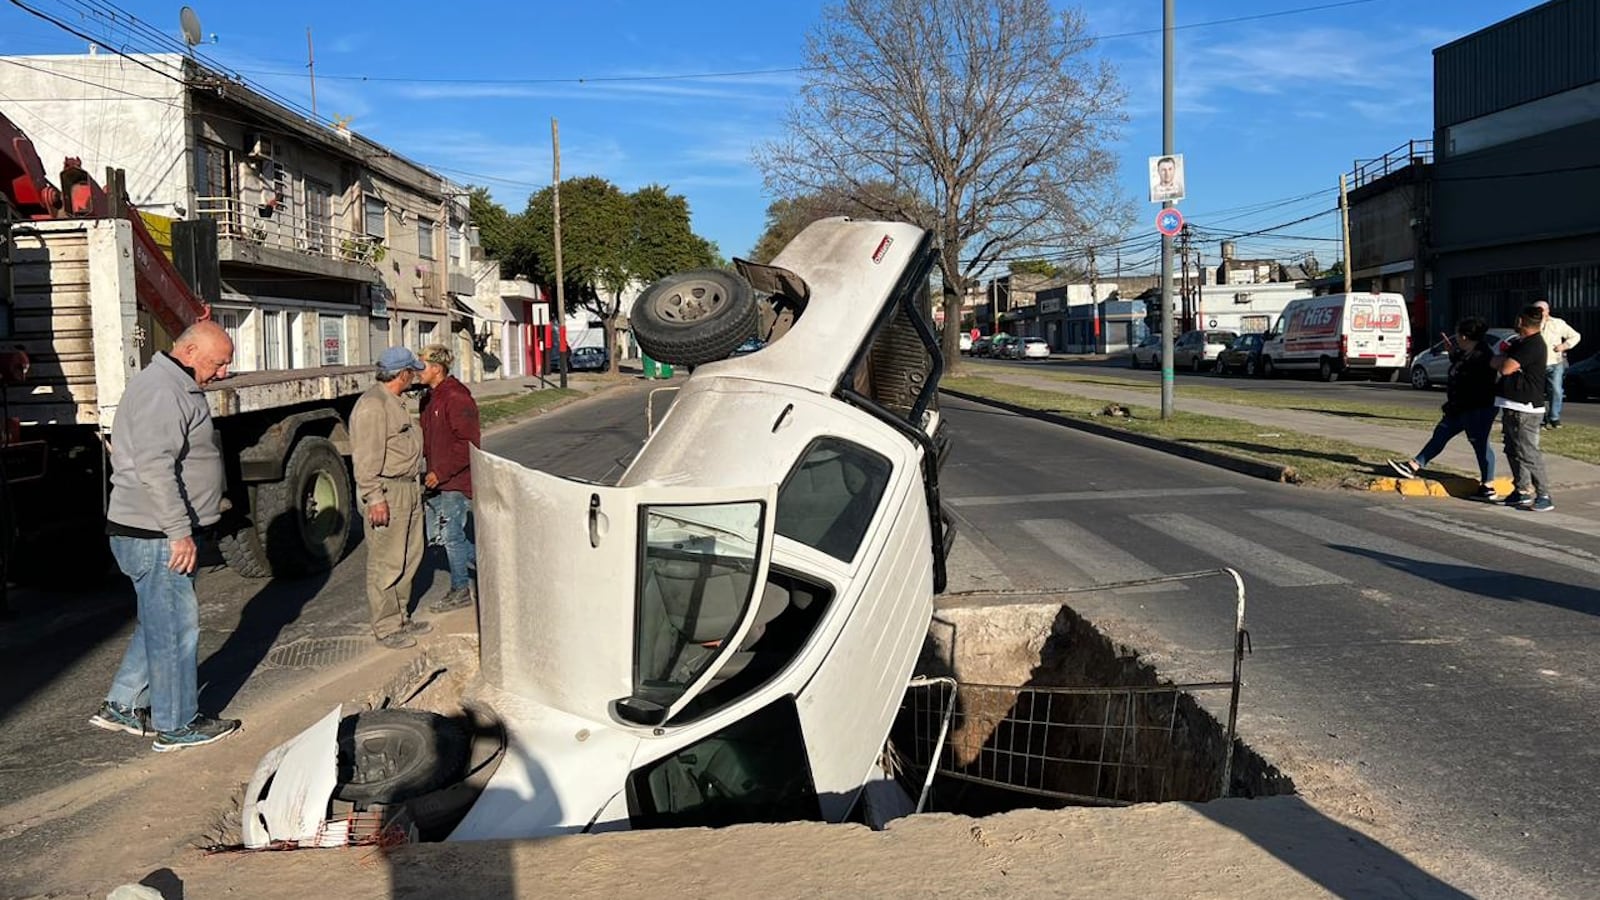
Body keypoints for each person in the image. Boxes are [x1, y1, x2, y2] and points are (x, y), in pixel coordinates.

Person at [91, 321, 242, 752]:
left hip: (148, 529)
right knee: (175, 629)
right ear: (190, 351)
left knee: (158, 623)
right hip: (155, 534)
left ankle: (121, 704)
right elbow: (155, 467)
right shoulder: (165, 391)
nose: (222, 372)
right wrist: (179, 532)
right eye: (218, 362)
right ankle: (175, 724)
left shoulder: (168, 383)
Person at [351, 347, 434, 649]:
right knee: (386, 560)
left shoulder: (395, 401)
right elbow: (365, 459)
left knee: (410, 556)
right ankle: (386, 626)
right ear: (402, 374)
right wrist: (375, 498)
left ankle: (401, 616)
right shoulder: (373, 406)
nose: (415, 376)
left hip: (409, 487)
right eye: (412, 371)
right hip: (388, 490)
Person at [1388, 317, 1500, 499]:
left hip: (1476, 409)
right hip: (1458, 407)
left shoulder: (1482, 355)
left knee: (1480, 444)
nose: (1455, 338)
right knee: (1441, 434)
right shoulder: (1466, 352)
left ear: (1465, 336)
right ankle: (1413, 465)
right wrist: (1452, 353)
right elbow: (1461, 364)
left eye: (1457, 335)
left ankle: (1488, 485)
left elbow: (1474, 378)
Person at [417, 343, 481, 612]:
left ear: (436, 368)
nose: (418, 370)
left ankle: (460, 589)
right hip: (439, 480)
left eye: (422, 365)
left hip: (456, 480)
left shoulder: (455, 397)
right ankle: (497, 570)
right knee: (441, 535)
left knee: (452, 536)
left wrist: (440, 472)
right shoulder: (430, 397)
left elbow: (468, 443)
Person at [1493, 305, 1553, 512]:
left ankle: (1544, 493)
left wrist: (1503, 362)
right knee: (1512, 449)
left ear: (1522, 322)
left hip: (1525, 407)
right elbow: (1499, 361)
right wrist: (1502, 361)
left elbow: (1506, 367)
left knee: (1528, 451)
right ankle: (1522, 490)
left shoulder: (1533, 345)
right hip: (1511, 403)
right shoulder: (1520, 343)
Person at [1532, 299, 1581, 429]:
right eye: (1538, 310)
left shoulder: (1558, 323)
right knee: (1537, 393)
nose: (1541, 313)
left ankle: (1554, 417)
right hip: (1537, 364)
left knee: (1556, 391)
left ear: (1548, 311)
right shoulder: (1532, 324)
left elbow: (1575, 336)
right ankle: (1541, 418)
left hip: (1555, 362)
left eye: (1543, 310)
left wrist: (1564, 345)